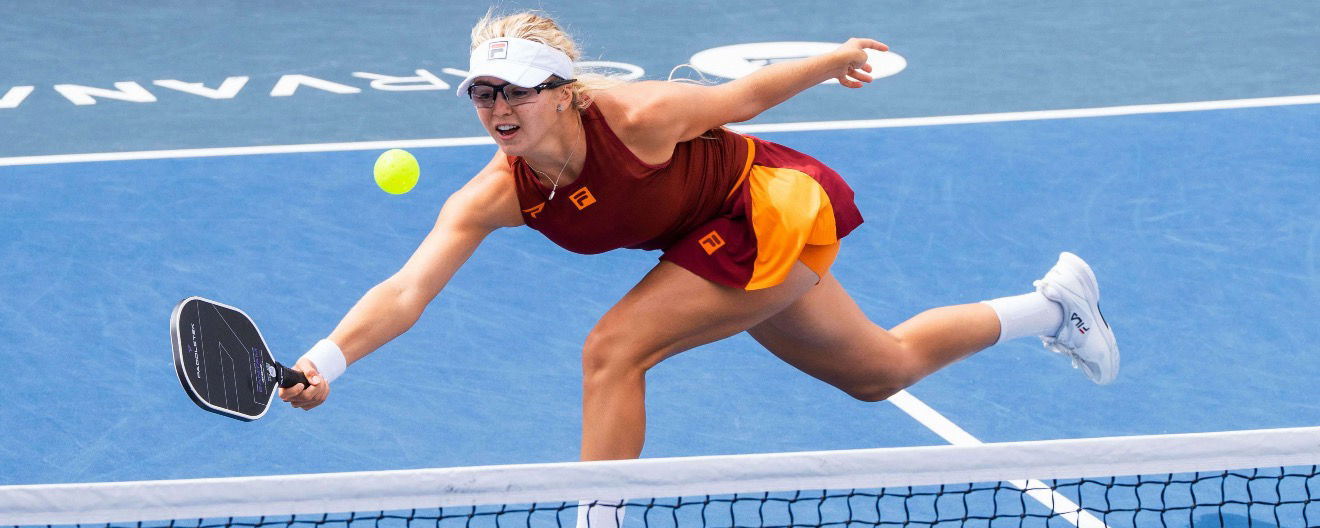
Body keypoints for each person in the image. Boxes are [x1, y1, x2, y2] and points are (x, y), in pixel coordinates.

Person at [279, 11, 1119, 463]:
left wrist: (833, 58)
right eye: (484, 94)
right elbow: (406, 289)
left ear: (564, 93)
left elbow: (746, 95)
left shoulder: (639, 119)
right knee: (881, 371)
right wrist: (328, 360)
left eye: (519, 93)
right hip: (705, 245)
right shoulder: (497, 194)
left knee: (613, 350)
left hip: (771, 206)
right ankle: (1052, 308)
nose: (499, 110)